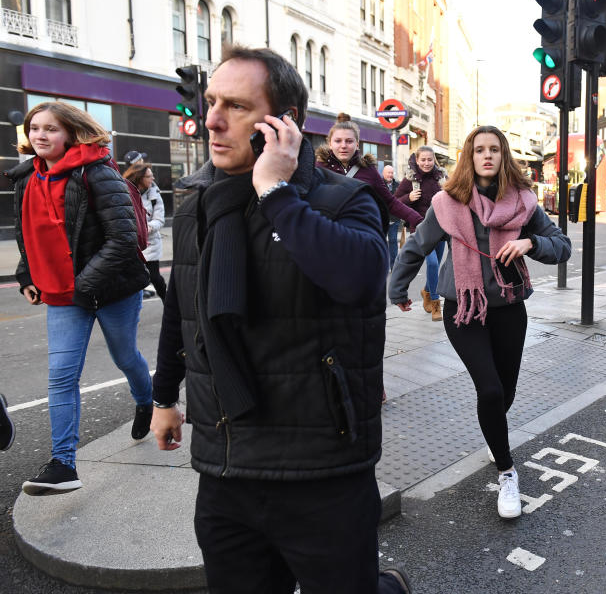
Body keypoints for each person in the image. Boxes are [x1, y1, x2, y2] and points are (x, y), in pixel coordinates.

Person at [148, 46, 411, 594]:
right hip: (225, 467)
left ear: (281, 124)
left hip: (321, 469)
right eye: (212, 101)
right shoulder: (199, 201)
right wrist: (163, 398)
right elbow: (184, 304)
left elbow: (361, 281)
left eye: (236, 107)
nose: (212, 119)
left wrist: (276, 192)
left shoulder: (346, 201)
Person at [389, 125, 571, 520]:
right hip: (463, 309)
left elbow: (562, 247)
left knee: (505, 390)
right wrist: (397, 288)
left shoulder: (524, 203)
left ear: (504, 156)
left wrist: (531, 242)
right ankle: (507, 472)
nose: (487, 156)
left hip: (508, 308)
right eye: (478, 150)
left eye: (494, 150)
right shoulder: (447, 203)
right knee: (489, 390)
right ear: (469, 158)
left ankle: (495, 436)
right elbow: (417, 245)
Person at [5, 101, 153, 496]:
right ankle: (63, 464)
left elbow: (123, 239)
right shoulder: (26, 178)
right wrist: (26, 275)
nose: (39, 135)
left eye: (50, 129)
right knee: (61, 376)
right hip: (61, 294)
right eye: (34, 128)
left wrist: (85, 284)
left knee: (125, 357)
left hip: (111, 289)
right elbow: (27, 233)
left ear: (70, 132)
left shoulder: (98, 172)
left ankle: (146, 401)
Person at [316, 113, 422, 232]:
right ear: (330, 143)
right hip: (326, 237)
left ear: (357, 144)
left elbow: (390, 202)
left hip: (360, 238)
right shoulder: (318, 168)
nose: (343, 146)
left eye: (349, 141)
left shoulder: (368, 170)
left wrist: (419, 221)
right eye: (338, 141)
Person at [396, 146, 447, 321]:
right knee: (432, 263)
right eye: (423, 160)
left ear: (434, 160)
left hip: (441, 229)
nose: (426, 163)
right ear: (417, 161)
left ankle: (426, 290)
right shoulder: (410, 180)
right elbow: (395, 203)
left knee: (437, 264)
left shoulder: (441, 178)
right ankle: (435, 303)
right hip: (420, 228)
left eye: (429, 159)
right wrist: (408, 198)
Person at [123, 151, 166, 300]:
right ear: (140, 178)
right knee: (133, 279)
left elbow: (160, 219)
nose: (153, 178)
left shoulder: (154, 194)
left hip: (150, 243)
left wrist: (148, 228)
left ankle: (168, 302)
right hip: (131, 243)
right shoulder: (125, 191)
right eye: (149, 176)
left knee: (155, 277)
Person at [381, 164, 402, 270]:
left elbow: (401, 201)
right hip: (381, 219)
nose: (390, 175)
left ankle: (393, 265)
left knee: (393, 241)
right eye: (388, 173)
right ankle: (382, 264)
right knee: (381, 242)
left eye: (391, 173)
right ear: (383, 173)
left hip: (394, 219)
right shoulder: (378, 184)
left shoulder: (398, 185)